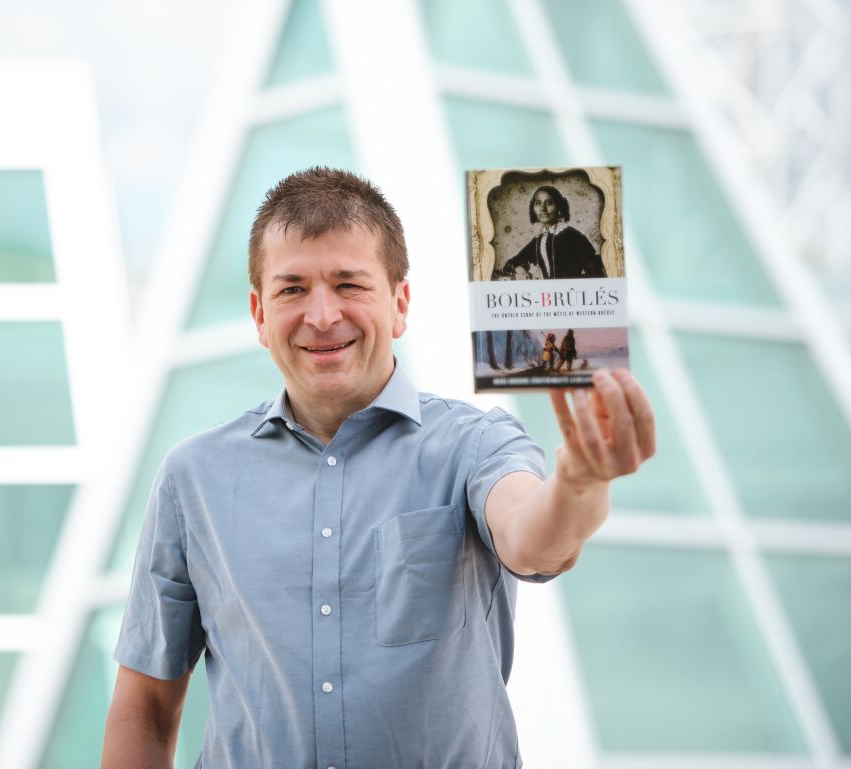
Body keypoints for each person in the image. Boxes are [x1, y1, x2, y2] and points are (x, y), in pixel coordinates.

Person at [103, 167, 655, 769]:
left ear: (400, 303)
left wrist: (580, 483)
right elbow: (147, 708)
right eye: (292, 289)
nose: (321, 315)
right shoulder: (193, 479)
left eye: (349, 284)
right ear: (260, 314)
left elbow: (533, 538)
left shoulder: (474, 445)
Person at [500, 185, 606, 279]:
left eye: (549, 203)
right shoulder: (539, 239)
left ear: (559, 206)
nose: (542, 208)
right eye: (538, 203)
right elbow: (512, 263)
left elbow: (596, 274)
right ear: (533, 208)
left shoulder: (573, 236)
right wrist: (520, 269)